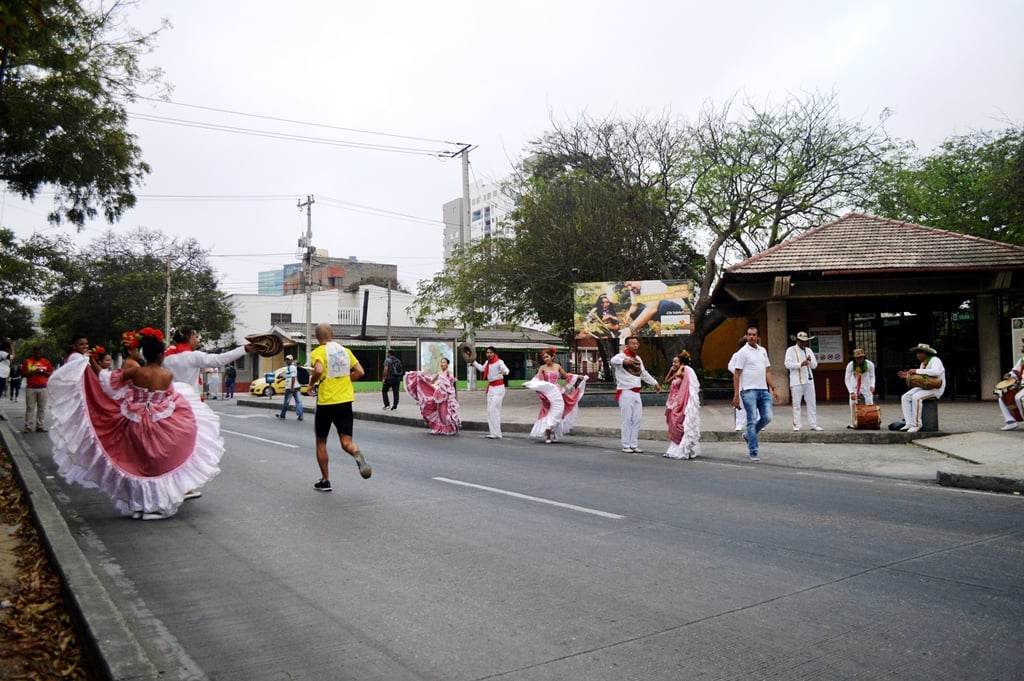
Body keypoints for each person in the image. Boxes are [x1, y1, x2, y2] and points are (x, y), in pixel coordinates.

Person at [47, 328, 224, 520]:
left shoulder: (135, 371)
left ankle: (139, 506)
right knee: (157, 464)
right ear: (160, 355)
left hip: (133, 420)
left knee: (137, 463)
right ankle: (153, 507)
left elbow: (107, 381)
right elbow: (172, 398)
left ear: (145, 354)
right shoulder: (167, 376)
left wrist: (91, 363)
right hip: (161, 422)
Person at [308, 322, 371, 492]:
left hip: (326, 403)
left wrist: (311, 384)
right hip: (345, 402)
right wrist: (345, 381)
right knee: (346, 442)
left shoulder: (317, 352)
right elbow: (360, 371)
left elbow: (319, 370)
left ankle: (325, 480)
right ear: (332, 334)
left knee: (321, 441)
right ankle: (356, 452)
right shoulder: (345, 351)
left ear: (316, 337)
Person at [162, 325, 254, 398]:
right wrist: (244, 349)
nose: (197, 340)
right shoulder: (194, 356)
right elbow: (219, 360)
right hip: (189, 402)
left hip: (170, 402)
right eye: (196, 337)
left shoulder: (165, 357)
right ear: (188, 338)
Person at [732, 325, 779, 461]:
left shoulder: (762, 351)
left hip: (763, 390)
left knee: (768, 417)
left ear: (758, 337)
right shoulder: (742, 353)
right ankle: (753, 450)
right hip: (748, 391)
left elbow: (767, 371)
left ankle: (748, 435)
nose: (751, 337)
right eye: (749, 335)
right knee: (751, 420)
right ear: (746, 336)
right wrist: (736, 395)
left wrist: (774, 388)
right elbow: (737, 374)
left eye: (754, 335)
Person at [523, 347, 588, 443]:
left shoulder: (557, 366)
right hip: (547, 393)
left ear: (552, 357)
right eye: (544, 358)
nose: (545, 359)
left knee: (558, 413)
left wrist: (578, 377)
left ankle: (556, 435)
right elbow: (537, 378)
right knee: (548, 412)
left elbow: (566, 376)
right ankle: (548, 436)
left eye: (547, 357)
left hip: (557, 391)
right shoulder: (542, 368)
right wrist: (530, 384)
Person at [610, 336, 662, 453]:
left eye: (637, 344)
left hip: (636, 392)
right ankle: (626, 445)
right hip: (625, 391)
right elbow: (613, 361)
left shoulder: (638, 358)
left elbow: (643, 373)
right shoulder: (621, 356)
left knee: (637, 419)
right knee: (626, 419)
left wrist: (654, 383)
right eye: (633, 344)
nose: (636, 346)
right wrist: (624, 361)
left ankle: (633, 444)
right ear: (627, 345)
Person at [404, 356, 461, 435]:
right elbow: (431, 380)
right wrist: (421, 375)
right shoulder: (439, 373)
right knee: (440, 412)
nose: (442, 364)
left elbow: (451, 381)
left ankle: (449, 429)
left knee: (446, 413)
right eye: (441, 362)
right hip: (439, 395)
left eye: (444, 362)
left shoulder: (448, 372)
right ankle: (441, 428)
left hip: (447, 396)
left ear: (447, 364)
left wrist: (450, 381)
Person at [897, 343, 946, 433]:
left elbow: (935, 372)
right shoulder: (923, 364)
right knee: (905, 397)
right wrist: (908, 375)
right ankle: (909, 422)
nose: (917, 355)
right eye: (917, 353)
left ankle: (917, 424)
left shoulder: (935, 360)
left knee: (916, 397)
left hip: (936, 388)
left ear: (925, 353)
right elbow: (921, 378)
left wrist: (916, 371)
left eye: (919, 352)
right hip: (925, 387)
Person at [663, 351, 701, 459]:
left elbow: (679, 374)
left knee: (677, 422)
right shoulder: (677, 372)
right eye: (673, 362)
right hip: (673, 402)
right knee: (671, 423)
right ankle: (674, 447)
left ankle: (682, 447)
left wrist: (682, 366)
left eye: (675, 362)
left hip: (680, 402)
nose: (673, 364)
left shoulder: (685, 370)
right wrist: (671, 370)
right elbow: (666, 381)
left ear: (682, 363)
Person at [619, 280, 685, 339]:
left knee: (663, 305)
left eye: (630, 284)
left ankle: (672, 333)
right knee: (635, 312)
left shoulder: (650, 284)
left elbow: (652, 309)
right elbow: (634, 305)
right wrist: (628, 313)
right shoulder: (634, 290)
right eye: (627, 286)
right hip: (658, 309)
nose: (629, 288)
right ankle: (650, 334)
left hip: (675, 309)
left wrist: (631, 328)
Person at [470, 346, 510, 439]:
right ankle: (493, 433)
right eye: (487, 352)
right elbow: (482, 369)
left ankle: (498, 433)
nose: (488, 354)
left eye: (490, 352)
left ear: (494, 354)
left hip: (499, 388)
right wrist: (473, 362)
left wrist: (504, 372)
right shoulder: (487, 362)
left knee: (493, 410)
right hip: (491, 388)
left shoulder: (499, 362)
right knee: (490, 411)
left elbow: (506, 370)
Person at [785, 331, 822, 431]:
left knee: (811, 403)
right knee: (796, 404)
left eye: (805, 341)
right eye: (801, 341)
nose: (803, 343)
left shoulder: (809, 350)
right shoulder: (790, 350)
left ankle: (813, 424)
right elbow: (787, 364)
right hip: (796, 381)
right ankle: (797, 425)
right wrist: (800, 364)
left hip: (809, 381)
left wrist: (809, 361)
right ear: (797, 340)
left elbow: (815, 365)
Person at [22, 345, 54, 433]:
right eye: (36, 353)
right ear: (33, 352)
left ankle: (40, 426)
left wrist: (44, 372)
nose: (38, 354)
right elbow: (23, 374)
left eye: (40, 353)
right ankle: (28, 426)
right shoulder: (28, 361)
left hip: (43, 388)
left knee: (42, 408)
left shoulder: (46, 362)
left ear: (42, 353)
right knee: (30, 408)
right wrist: (33, 372)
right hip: (31, 388)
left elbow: (51, 374)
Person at [844, 348, 876, 428]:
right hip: (854, 385)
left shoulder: (869, 364)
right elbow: (847, 379)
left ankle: (870, 421)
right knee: (853, 404)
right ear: (854, 358)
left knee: (869, 403)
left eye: (861, 358)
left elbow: (872, 376)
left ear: (864, 357)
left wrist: (872, 385)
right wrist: (851, 392)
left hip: (866, 384)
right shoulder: (851, 365)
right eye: (857, 358)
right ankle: (854, 423)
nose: (859, 360)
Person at [997, 337, 1024, 430]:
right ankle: (1011, 421)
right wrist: (1009, 375)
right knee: (1001, 395)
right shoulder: (1022, 360)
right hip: (1021, 386)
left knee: (1018, 397)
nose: (1022, 346)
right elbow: (1014, 372)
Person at [727, 337, 749, 431]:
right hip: (740, 381)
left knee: (755, 402)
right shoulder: (736, 355)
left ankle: (757, 422)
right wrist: (738, 372)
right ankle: (739, 424)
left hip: (751, 381)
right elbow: (730, 366)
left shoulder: (752, 354)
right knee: (740, 402)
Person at [277, 354, 304, 421]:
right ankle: (300, 416)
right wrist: (281, 380)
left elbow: (293, 378)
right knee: (298, 401)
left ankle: (282, 415)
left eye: (288, 359)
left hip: (291, 388)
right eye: (286, 359)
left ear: (291, 360)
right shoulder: (288, 368)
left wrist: (292, 387)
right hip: (294, 387)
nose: (286, 361)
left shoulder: (292, 367)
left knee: (287, 401)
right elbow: (288, 376)